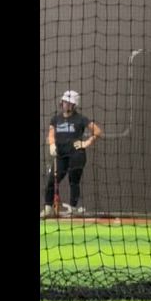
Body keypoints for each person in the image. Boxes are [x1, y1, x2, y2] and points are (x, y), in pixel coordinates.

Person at [42, 90, 103, 218]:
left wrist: (86, 143)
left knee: (73, 181)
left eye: (69, 103)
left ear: (74, 105)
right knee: (52, 180)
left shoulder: (81, 119)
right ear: (61, 102)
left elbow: (98, 131)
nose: (66, 104)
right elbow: (51, 134)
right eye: (65, 102)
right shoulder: (55, 119)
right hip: (60, 156)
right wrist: (52, 144)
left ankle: (73, 208)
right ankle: (48, 208)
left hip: (77, 155)